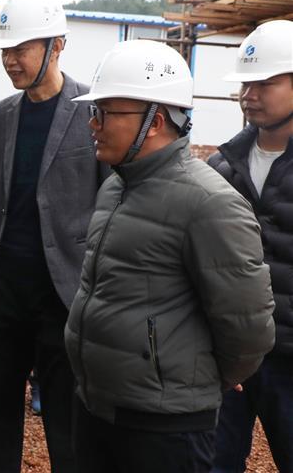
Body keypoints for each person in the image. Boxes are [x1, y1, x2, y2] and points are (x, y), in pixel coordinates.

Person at [65, 39, 276, 473]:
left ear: (155, 121)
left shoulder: (209, 203)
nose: (93, 124)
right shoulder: (115, 187)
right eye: (94, 111)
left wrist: (200, 381)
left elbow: (247, 326)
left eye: (106, 113)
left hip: (164, 429)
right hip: (97, 406)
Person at [0, 0, 106, 472]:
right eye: (5, 50)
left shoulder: (93, 110)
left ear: (57, 45)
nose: (10, 60)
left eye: (21, 49)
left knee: (67, 421)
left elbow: (110, 205)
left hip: (65, 295)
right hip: (2, 292)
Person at [207, 20, 293, 473]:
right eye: (246, 84)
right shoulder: (220, 167)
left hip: (289, 357)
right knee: (212, 463)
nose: (250, 94)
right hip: (229, 358)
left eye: (265, 83)